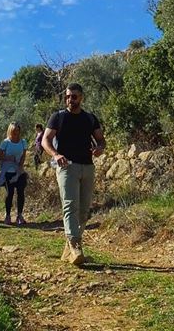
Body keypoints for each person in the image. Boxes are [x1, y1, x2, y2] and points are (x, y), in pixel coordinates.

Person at [42, 83, 105, 265]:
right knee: (70, 206)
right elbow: (46, 140)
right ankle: (76, 245)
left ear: (81, 97)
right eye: (68, 96)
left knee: (84, 212)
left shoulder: (90, 118)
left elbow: (101, 139)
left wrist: (100, 148)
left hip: (87, 167)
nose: (70, 100)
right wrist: (56, 154)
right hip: (66, 167)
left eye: (74, 96)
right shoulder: (58, 117)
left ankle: (69, 249)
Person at [0, 122, 28, 225]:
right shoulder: (5, 142)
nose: (16, 133)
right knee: (9, 193)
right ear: (10, 131)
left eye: (18, 131)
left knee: (21, 193)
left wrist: (21, 166)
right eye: (14, 131)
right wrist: (7, 158)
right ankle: (8, 215)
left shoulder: (23, 142)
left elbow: (23, 155)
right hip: (8, 172)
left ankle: (19, 215)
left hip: (19, 172)